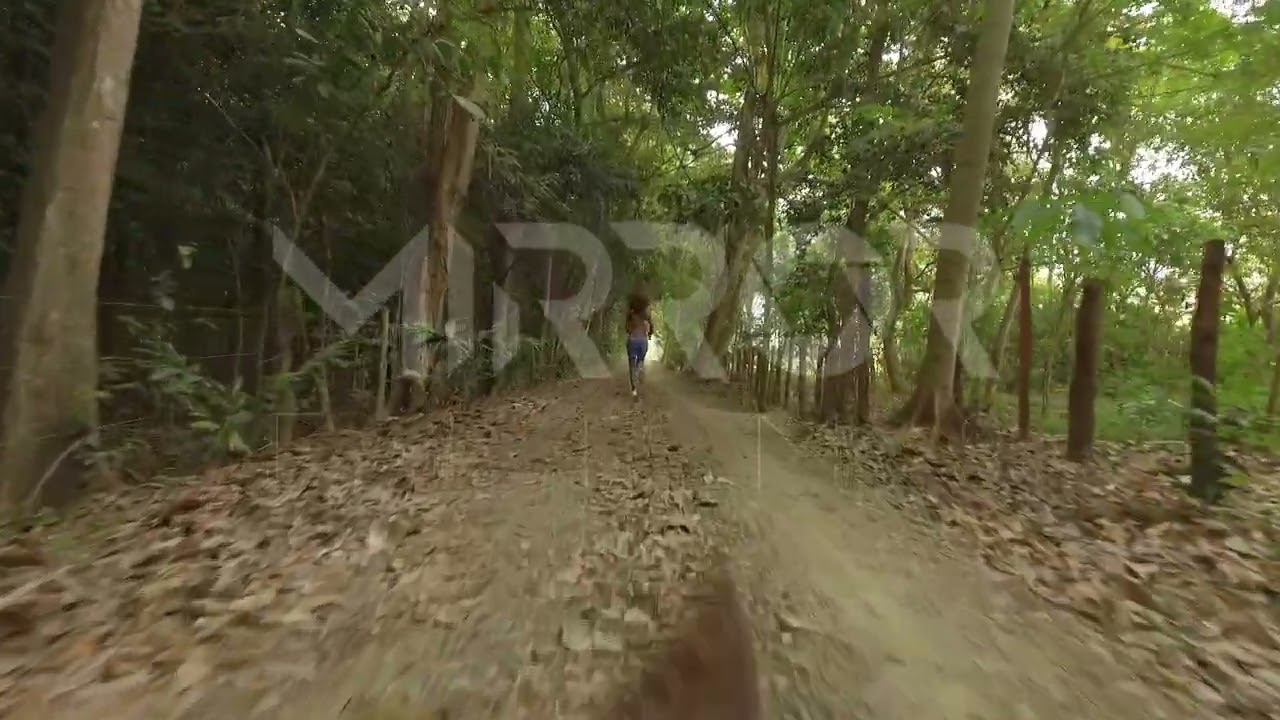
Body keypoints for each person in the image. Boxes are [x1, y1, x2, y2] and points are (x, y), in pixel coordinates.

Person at [625, 294, 653, 397]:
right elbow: (651, 327)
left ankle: (634, 390)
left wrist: (631, 330)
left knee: (631, 365)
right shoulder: (646, 314)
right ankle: (640, 365)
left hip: (632, 340)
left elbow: (627, 328)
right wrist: (649, 334)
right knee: (640, 360)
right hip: (643, 341)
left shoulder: (631, 314)